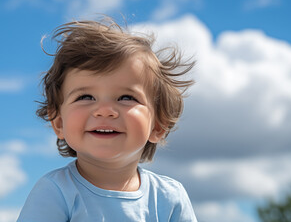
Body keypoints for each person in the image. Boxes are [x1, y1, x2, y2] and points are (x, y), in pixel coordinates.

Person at [17, 17, 197, 222]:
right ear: (59, 123)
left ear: (158, 125)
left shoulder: (170, 198)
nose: (104, 111)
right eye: (85, 97)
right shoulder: (56, 192)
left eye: (126, 98)